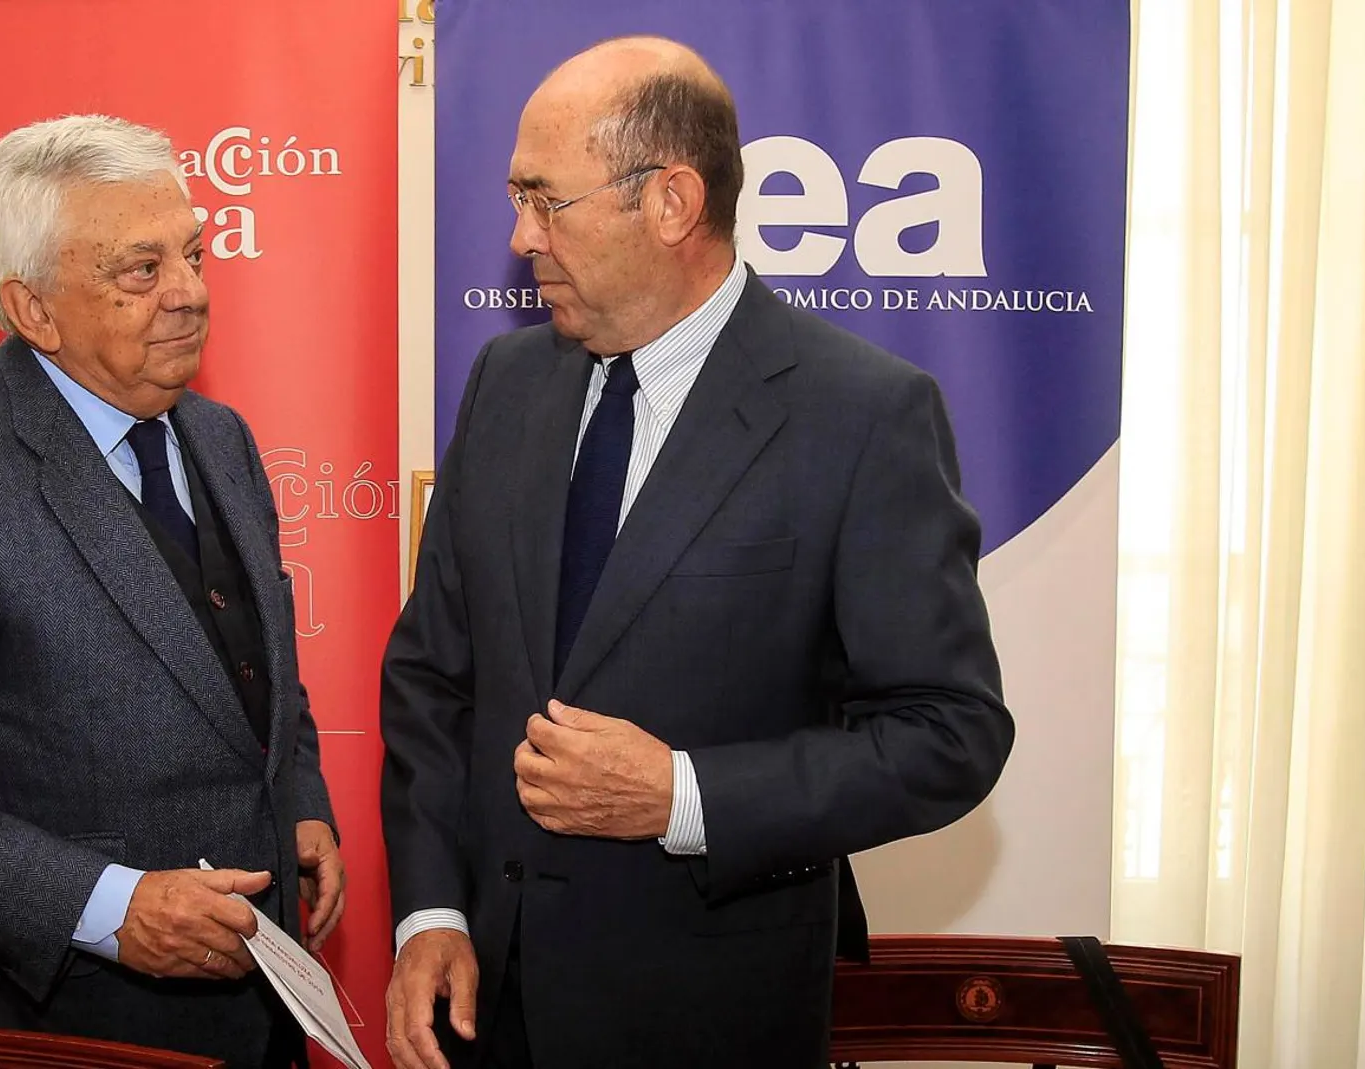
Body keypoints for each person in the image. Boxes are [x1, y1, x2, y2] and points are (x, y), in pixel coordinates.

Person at [379, 37, 1014, 1069]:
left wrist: (681, 794)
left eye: (547, 200)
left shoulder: (859, 415)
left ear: (670, 201)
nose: (519, 234)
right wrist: (430, 915)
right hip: (485, 1011)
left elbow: (950, 734)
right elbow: (431, 680)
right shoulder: (506, 383)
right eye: (516, 197)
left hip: (709, 1016)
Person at [0, 114, 344, 1069]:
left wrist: (296, 800)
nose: (190, 294)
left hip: (258, 1008)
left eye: (193, 252)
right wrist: (108, 906)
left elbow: (260, 682)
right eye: (141, 271)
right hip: (60, 1027)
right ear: (34, 309)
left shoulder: (221, 438)